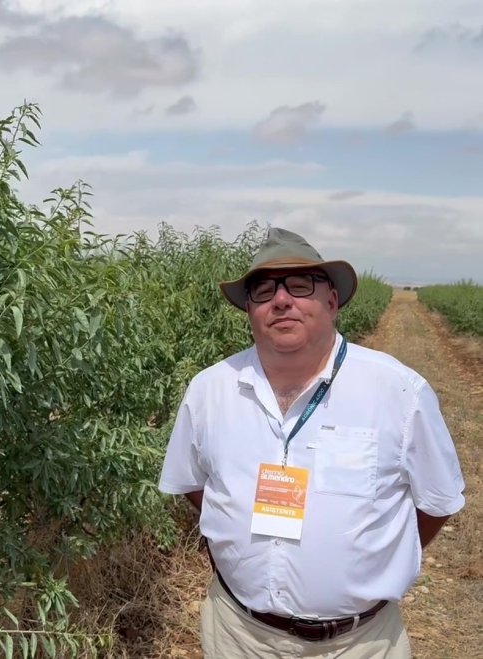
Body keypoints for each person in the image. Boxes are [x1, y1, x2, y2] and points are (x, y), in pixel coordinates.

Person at [157, 227, 465, 658]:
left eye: (300, 286)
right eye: (263, 291)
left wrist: (368, 561)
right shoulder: (210, 389)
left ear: (332, 301)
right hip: (239, 636)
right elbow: (194, 485)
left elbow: (437, 502)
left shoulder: (397, 391)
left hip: (360, 644)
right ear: (249, 309)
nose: (281, 300)